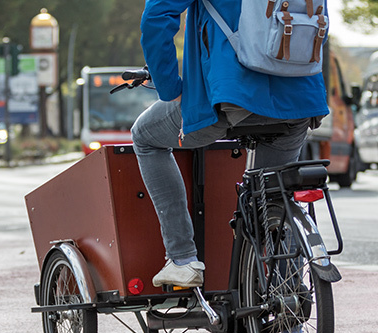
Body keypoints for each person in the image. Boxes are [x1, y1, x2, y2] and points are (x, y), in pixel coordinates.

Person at [131, 0, 329, 288]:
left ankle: (182, 258)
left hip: (232, 94)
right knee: (274, 196)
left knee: (145, 137)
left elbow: (157, 17)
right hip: (301, 98)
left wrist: (171, 89)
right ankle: (290, 313)